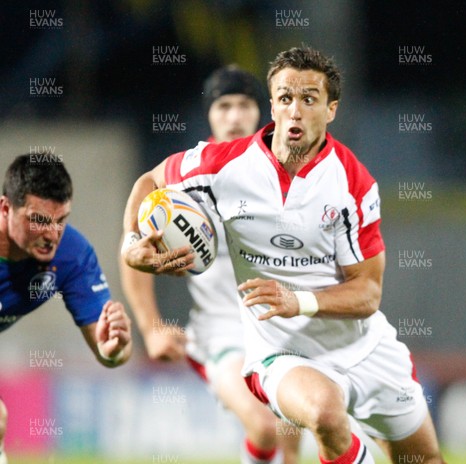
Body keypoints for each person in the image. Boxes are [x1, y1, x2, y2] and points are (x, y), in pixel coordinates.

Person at [122, 46, 445, 463]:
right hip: (279, 353)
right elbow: (150, 181)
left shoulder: (353, 183)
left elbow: (367, 293)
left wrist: (299, 302)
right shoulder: (223, 165)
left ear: (330, 110)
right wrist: (133, 245)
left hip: (365, 349)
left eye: (309, 99)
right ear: (272, 105)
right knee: (325, 415)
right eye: (286, 98)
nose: (295, 111)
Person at [120, 65, 302, 464]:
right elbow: (133, 250)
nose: (234, 116)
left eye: (244, 105)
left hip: (283, 328)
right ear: (210, 115)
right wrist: (152, 328)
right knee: (264, 426)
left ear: (263, 112)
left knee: (290, 439)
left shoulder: (288, 173)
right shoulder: (188, 179)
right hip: (221, 334)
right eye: (224, 106)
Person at [0, 154, 132, 464]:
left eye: (61, 220)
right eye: (39, 220)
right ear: (6, 209)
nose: (52, 235)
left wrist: (114, 347)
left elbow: (107, 350)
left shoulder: (72, 256)